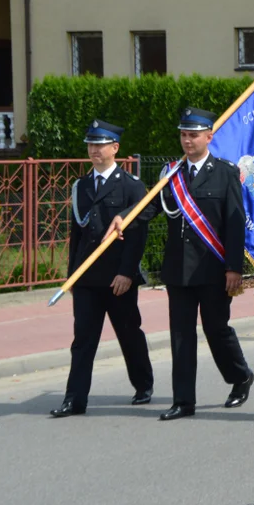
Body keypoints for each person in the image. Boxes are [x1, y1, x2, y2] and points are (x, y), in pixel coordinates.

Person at [111, 107, 254, 421]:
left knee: (216, 330)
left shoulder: (226, 172)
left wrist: (234, 267)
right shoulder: (171, 173)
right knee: (181, 335)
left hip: (214, 268)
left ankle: (240, 375)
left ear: (209, 136)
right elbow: (152, 207)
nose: (187, 141)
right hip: (178, 269)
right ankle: (183, 401)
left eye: (194, 135)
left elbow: (235, 222)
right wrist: (127, 217)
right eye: (183, 135)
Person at [51, 120, 153, 418]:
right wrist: (72, 275)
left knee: (128, 333)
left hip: (118, 277)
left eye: (101, 145)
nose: (95, 150)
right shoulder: (80, 186)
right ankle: (75, 399)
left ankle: (143, 384)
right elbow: (77, 234)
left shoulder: (131, 186)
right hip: (87, 278)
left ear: (115, 148)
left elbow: (138, 235)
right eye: (91, 145)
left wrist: (127, 272)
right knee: (83, 339)